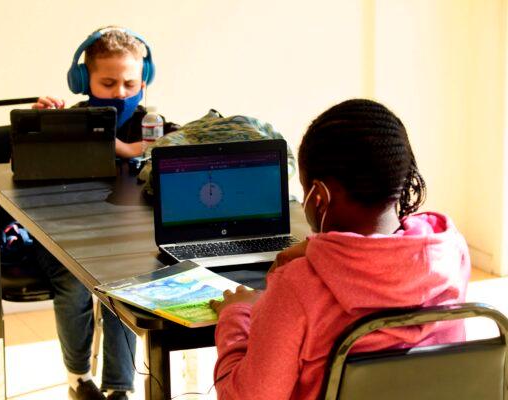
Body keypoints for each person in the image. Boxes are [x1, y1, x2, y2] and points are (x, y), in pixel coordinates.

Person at [209, 99, 470, 400]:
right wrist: (320, 253)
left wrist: (236, 314)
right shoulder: (450, 251)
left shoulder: (297, 287)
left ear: (318, 196)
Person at [32, 27, 178, 400]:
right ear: (84, 81)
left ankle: (118, 388)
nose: (120, 93)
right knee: (74, 287)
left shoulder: (154, 124)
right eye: (108, 83)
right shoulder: (72, 121)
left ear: (144, 80)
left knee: (123, 290)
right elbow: (30, 167)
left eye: (130, 83)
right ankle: (78, 378)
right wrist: (42, 127)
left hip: (127, 244)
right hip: (69, 238)